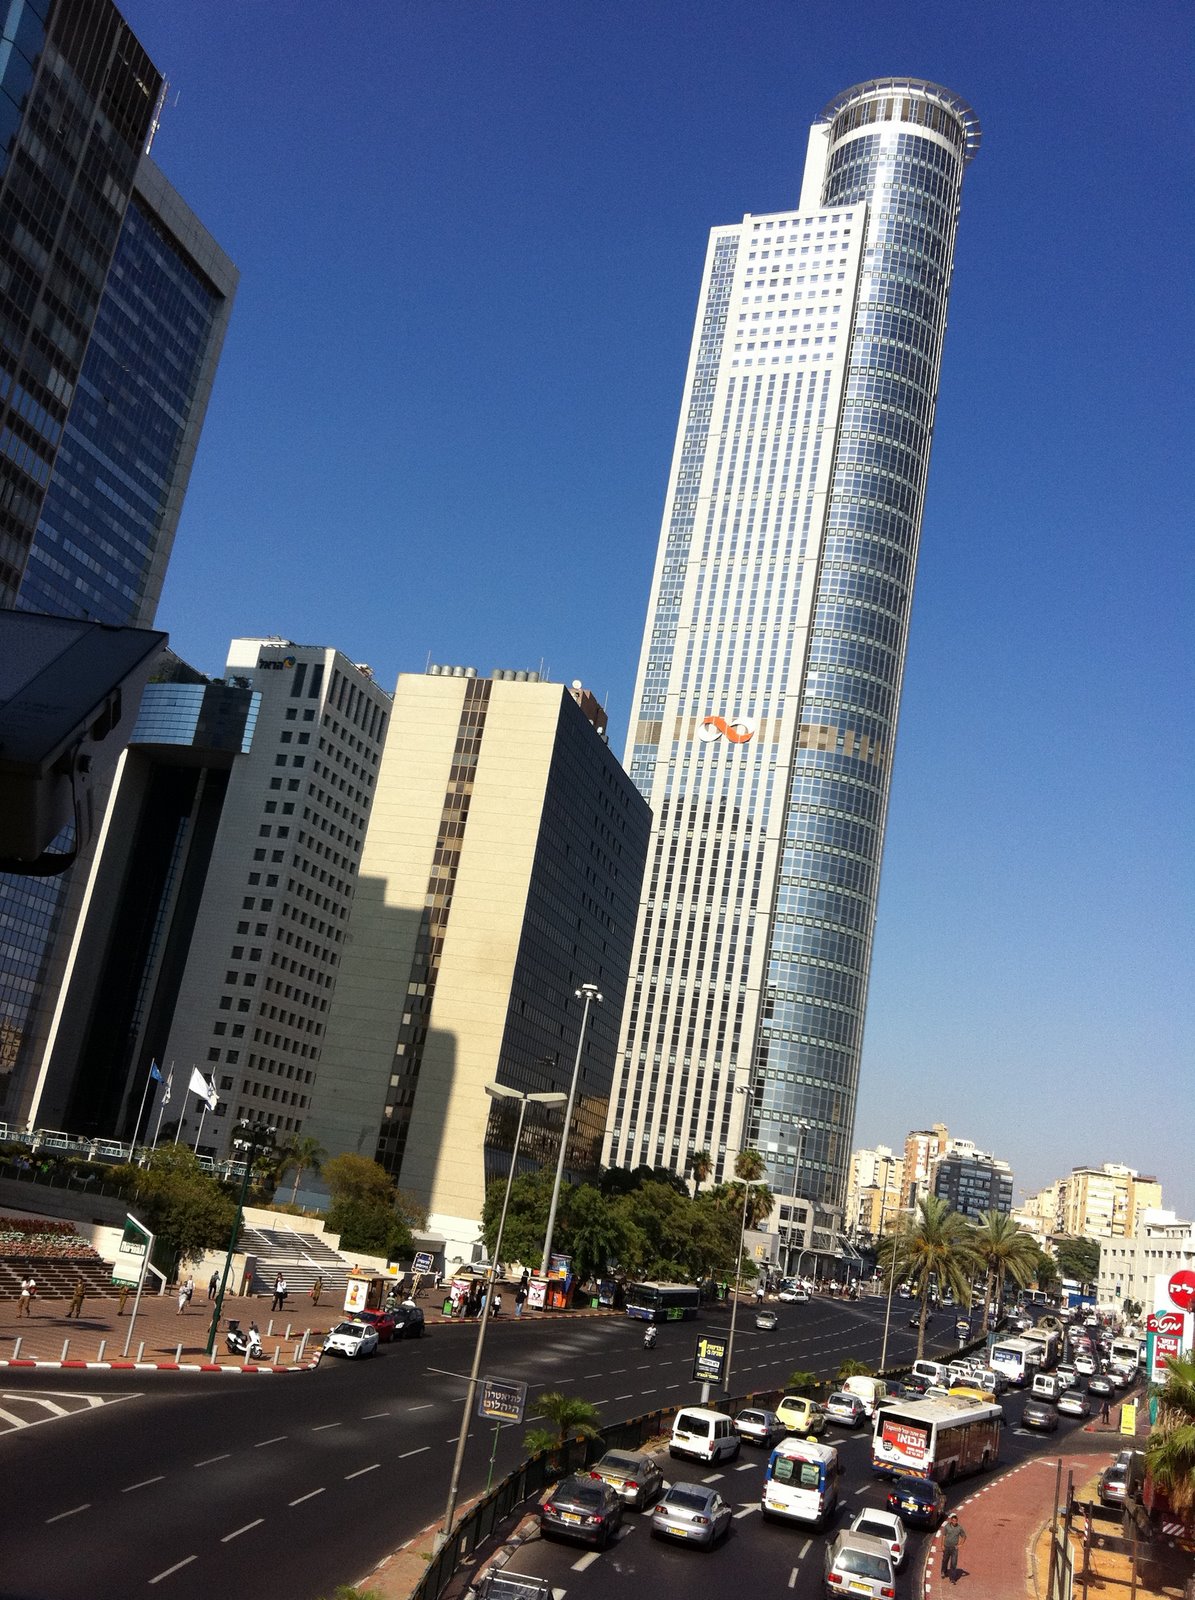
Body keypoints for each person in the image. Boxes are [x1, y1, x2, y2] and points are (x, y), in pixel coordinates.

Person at [941, 1514, 966, 1581]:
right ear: (951, 1521)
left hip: (954, 1548)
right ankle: (943, 1571)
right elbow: (943, 1536)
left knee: (954, 1562)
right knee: (945, 1560)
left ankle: (952, 1578)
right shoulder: (947, 1527)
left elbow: (964, 1536)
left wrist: (960, 1544)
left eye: (956, 1521)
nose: (955, 1522)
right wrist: (942, 1545)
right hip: (946, 1547)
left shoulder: (959, 1528)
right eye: (953, 1521)